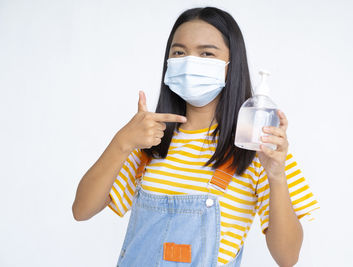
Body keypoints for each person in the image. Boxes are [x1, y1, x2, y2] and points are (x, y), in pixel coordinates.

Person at [72, 6, 319, 267]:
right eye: (179, 52)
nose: (190, 62)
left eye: (206, 53)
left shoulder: (256, 146)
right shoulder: (151, 139)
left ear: (231, 65)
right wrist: (122, 142)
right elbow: (82, 210)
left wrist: (277, 176)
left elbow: (287, 258)